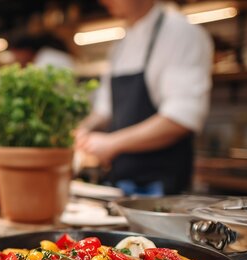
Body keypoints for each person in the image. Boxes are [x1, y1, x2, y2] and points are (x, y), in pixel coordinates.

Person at [75, 0, 213, 195]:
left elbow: (182, 118)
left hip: (162, 189)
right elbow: (104, 110)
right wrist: (84, 130)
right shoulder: (120, 45)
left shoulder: (180, 33)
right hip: (120, 183)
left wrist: (112, 143)